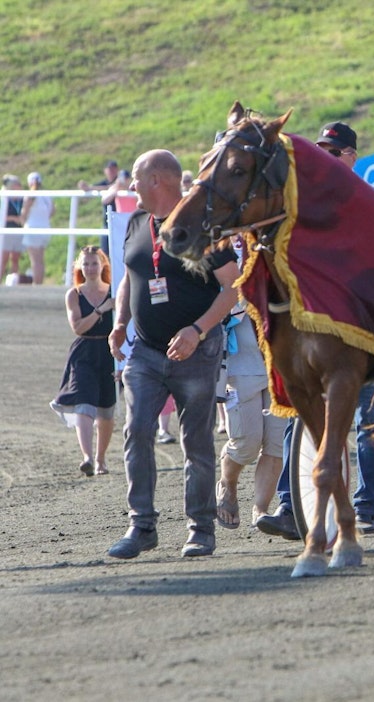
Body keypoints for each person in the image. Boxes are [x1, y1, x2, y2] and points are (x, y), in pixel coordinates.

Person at [256, 121, 374, 537]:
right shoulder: (302, 205)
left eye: (334, 153)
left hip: (364, 330)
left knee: (369, 423)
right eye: (320, 153)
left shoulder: (371, 203)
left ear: (352, 158)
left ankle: (366, 507)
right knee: (301, 417)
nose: (325, 160)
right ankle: (291, 505)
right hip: (315, 330)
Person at [106, 149, 238, 560]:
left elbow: (234, 287)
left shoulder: (203, 226)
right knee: (137, 431)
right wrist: (121, 321)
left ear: (159, 181)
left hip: (195, 352)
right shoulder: (136, 222)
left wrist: (197, 331)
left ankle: (200, 529)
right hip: (144, 350)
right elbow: (132, 274)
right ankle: (141, 525)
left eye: (137, 179)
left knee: (195, 441)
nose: (131, 186)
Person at [215, 237, 284, 531]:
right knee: (246, 444)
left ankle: (261, 510)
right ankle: (227, 483)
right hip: (242, 364)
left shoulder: (278, 242)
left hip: (281, 365)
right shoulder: (223, 249)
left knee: (277, 445)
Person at [50, 245, 117, 477]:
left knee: (106, 411)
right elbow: (78, 327)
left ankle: (100, 459)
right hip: (84, 352)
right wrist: (100, 310)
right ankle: (87, 457)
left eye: (94, 263)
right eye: (85, 264)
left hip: (109, 351)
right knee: (84, 403)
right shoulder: (74, 294)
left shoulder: (114, 291)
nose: (89, 268)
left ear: (103, 266)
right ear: (79, 266)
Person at [20, 172, 53, 285]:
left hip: (33, 228)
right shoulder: (46, 195)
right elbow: (52, 211)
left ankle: (36, 284)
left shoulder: (30, 195)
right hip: (45, 228)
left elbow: (24, 212)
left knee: (35, 260)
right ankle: (39, 282)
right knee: (40, 259)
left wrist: (23, 221)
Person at [1, 174, 23, 282]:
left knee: (15, 258)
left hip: (18, 230)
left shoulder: (20, 199)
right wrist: (13, 218)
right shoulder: (4, 198)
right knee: (3, 258)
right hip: (6, 231)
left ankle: (12, 282)